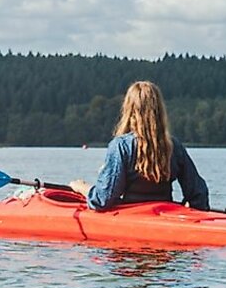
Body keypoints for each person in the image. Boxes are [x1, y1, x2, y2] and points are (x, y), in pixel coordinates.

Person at [67, 81, 209, 212]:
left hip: (131, 217)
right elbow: (199, 195)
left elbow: (103, 200)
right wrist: (187, 209)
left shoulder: (121, 146)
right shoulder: (174, 146)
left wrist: (82, 188)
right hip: (165, 215)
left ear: (129, 110)